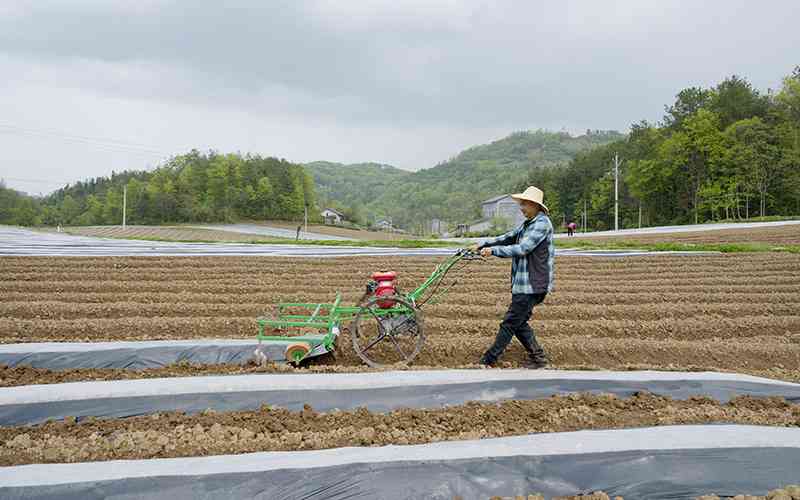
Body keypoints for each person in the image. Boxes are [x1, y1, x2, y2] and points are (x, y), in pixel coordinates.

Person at [471, 185, 554, 369]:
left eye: (524, 204)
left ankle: (488, 360)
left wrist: (492, 251)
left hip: (532, 284)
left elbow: (522, 248)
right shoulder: (528, 224)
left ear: (534, 205)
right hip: (525, 284)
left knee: (509, 323)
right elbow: (508, 237)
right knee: (519, 322)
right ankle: (539, 359)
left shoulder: (541, 224)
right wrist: (482, 243)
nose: (522, 207)